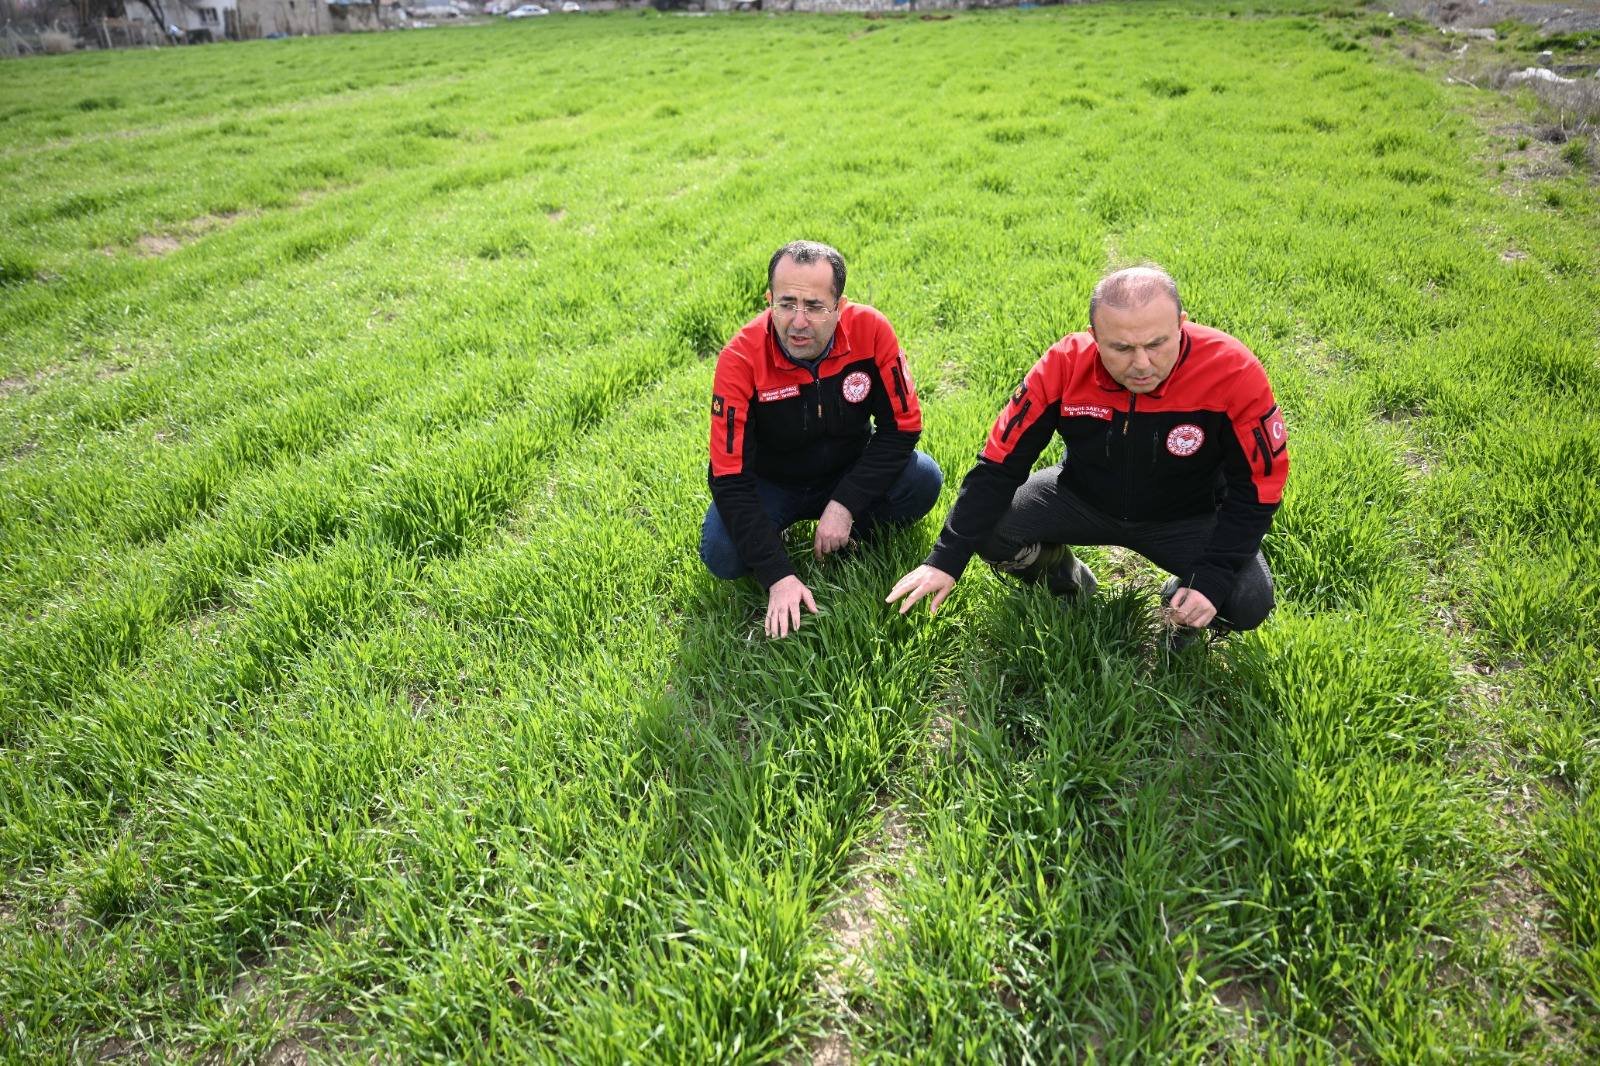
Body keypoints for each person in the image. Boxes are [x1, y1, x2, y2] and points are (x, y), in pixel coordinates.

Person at [887, 265, 1288, 648]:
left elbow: (1258, 488)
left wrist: (1211, 580)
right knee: (990, 526)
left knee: (1247, 601)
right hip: (1083, 498)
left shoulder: (1231, 369)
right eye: (1121, 348)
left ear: (1182, 322)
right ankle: (1068, 582)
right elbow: (998, 465)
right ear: (1094, 335)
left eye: (1156, 344)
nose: (1142, 364)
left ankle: (1181, 597)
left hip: (1187, 516)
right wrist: (945, 559)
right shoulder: (1064, 364)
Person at [702, 240, 943, 638]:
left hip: (847, 467)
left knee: (923, 480)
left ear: (840, 306)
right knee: (722, 553)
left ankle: (846, 536)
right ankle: (777, 537)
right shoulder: (740, 358)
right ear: (769, 300)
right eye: (786, 303)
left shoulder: (872, 331)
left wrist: (845, 503)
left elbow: (902, 428)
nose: (798, 321)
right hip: (773, 483)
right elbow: (728, 476)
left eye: (814, 306)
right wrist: (777, 575)